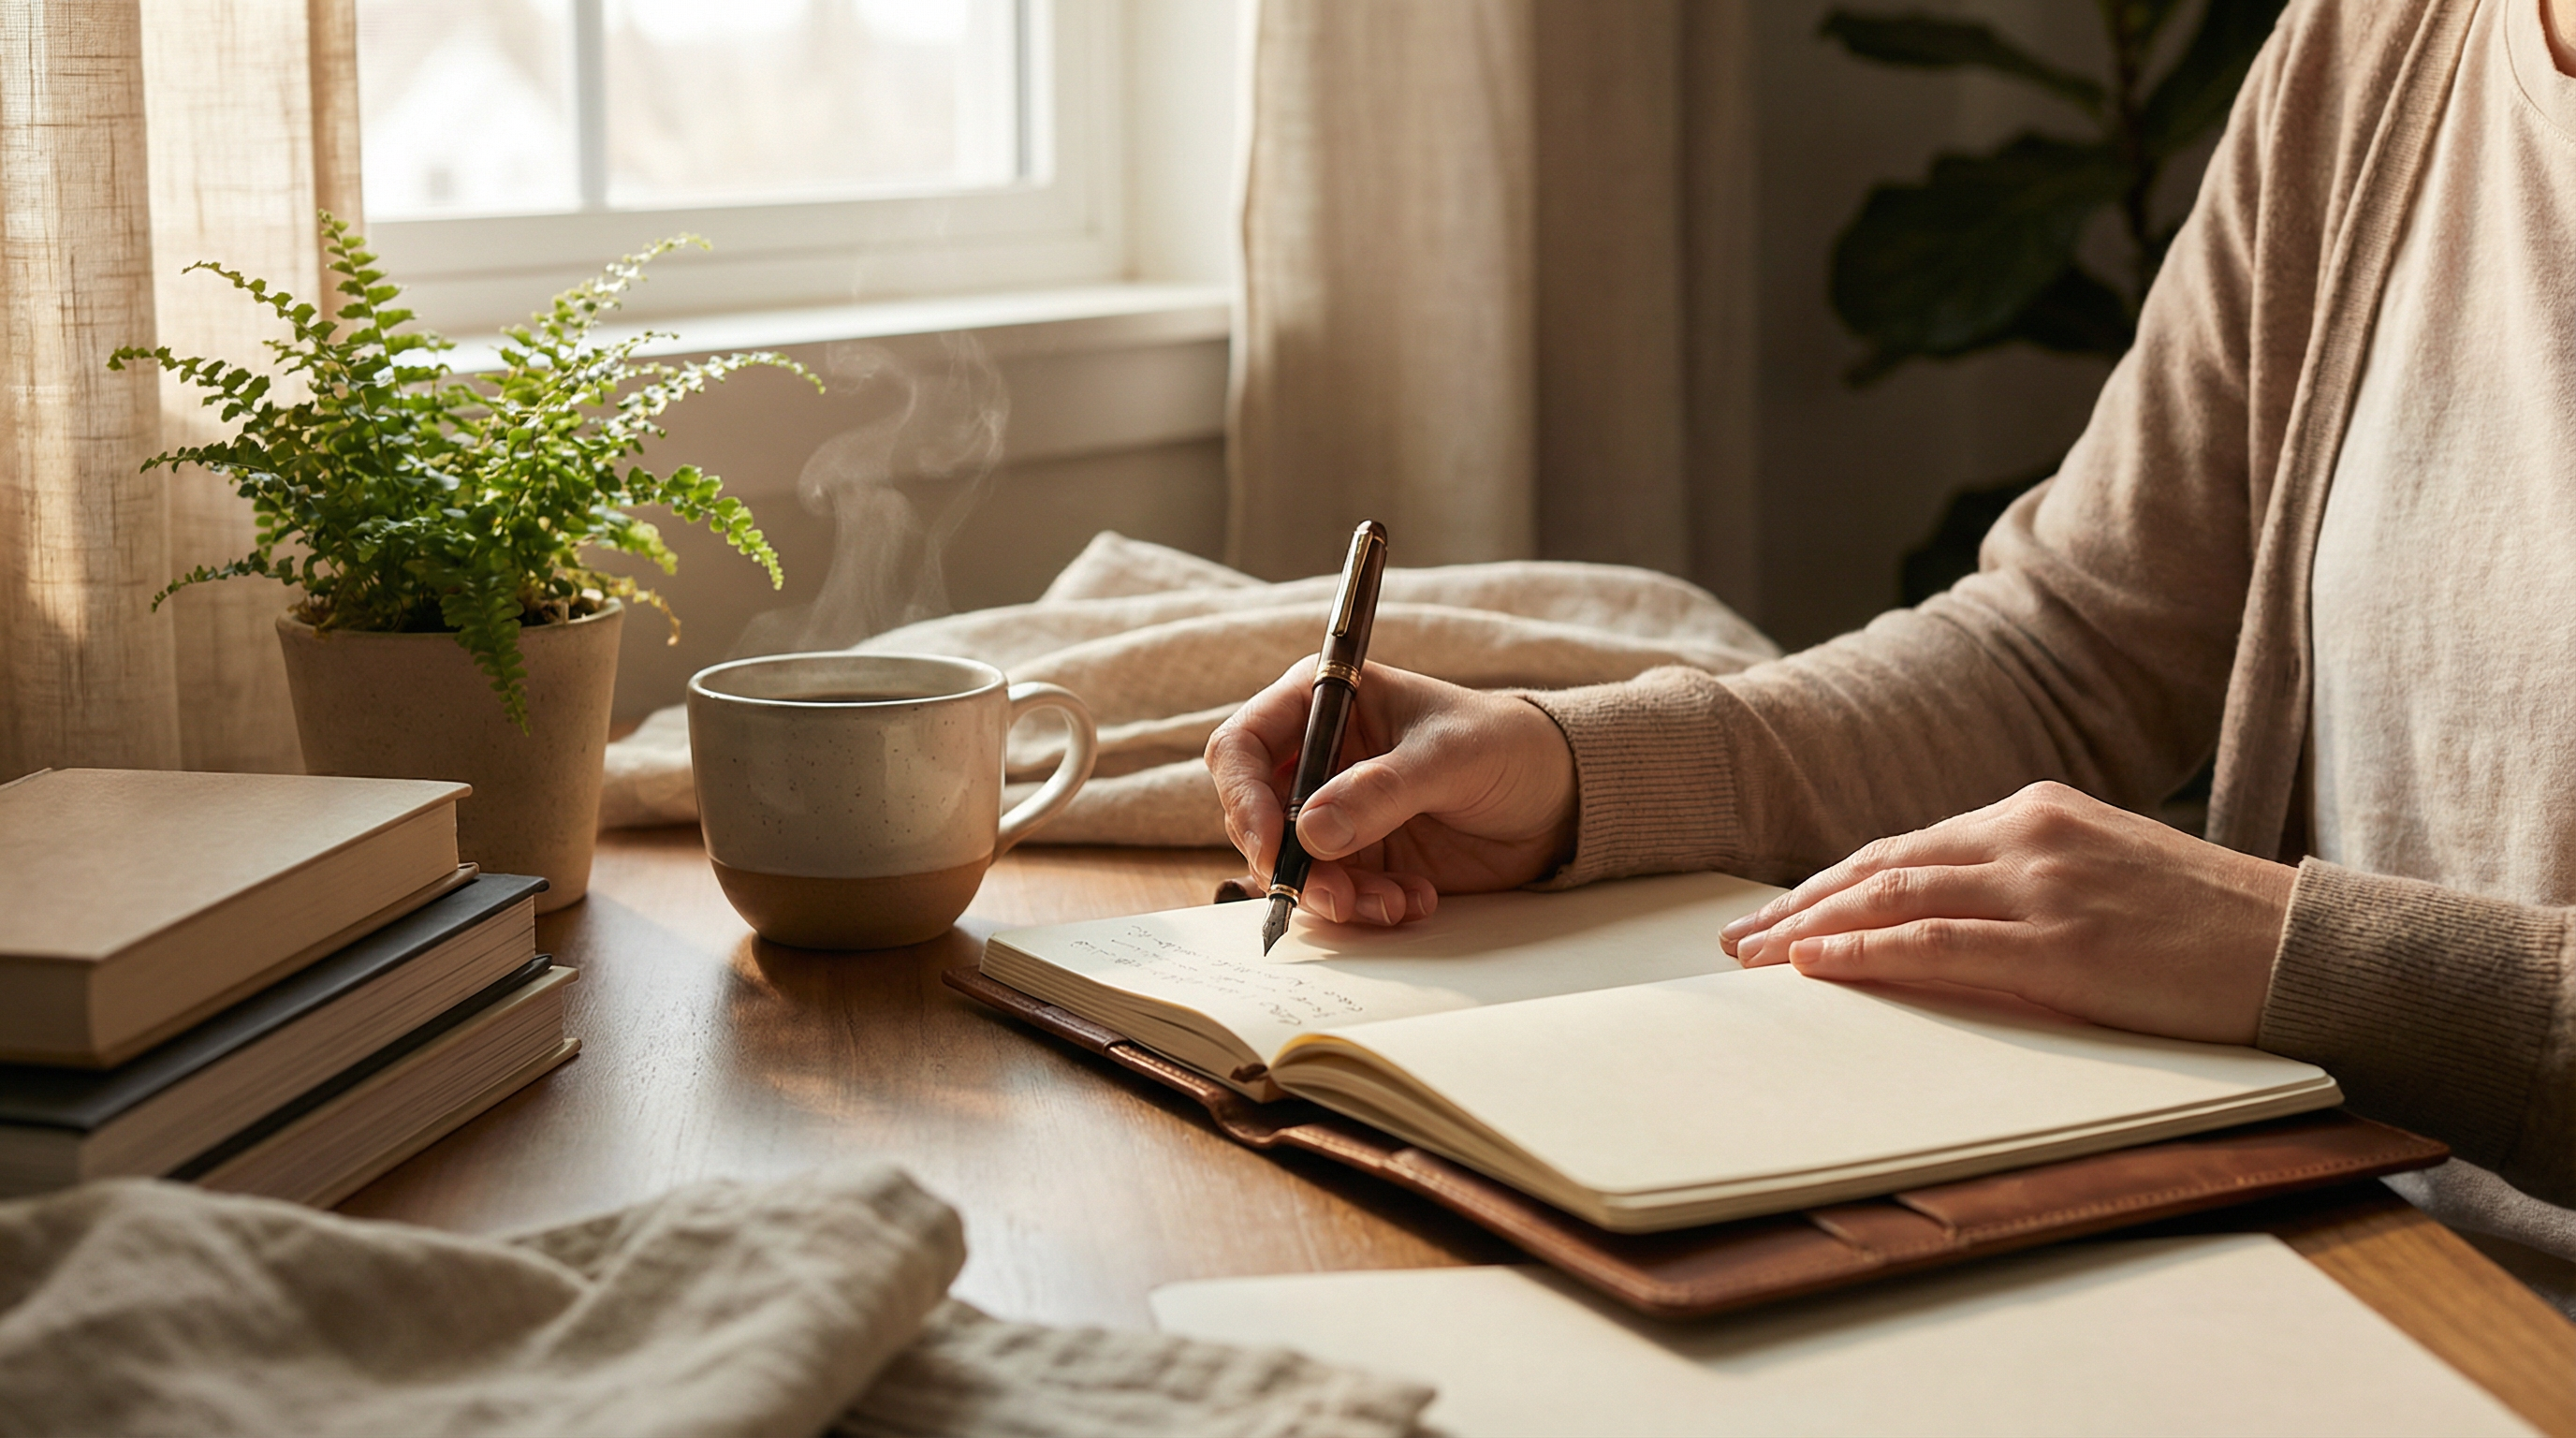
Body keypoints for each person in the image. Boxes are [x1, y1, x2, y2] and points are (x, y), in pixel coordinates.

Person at [1205, 0, 2576, 1310]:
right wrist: (1575, 771)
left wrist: (2292, 955)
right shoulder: (2376, 47)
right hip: (2321, 1257)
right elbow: (2068, 648)